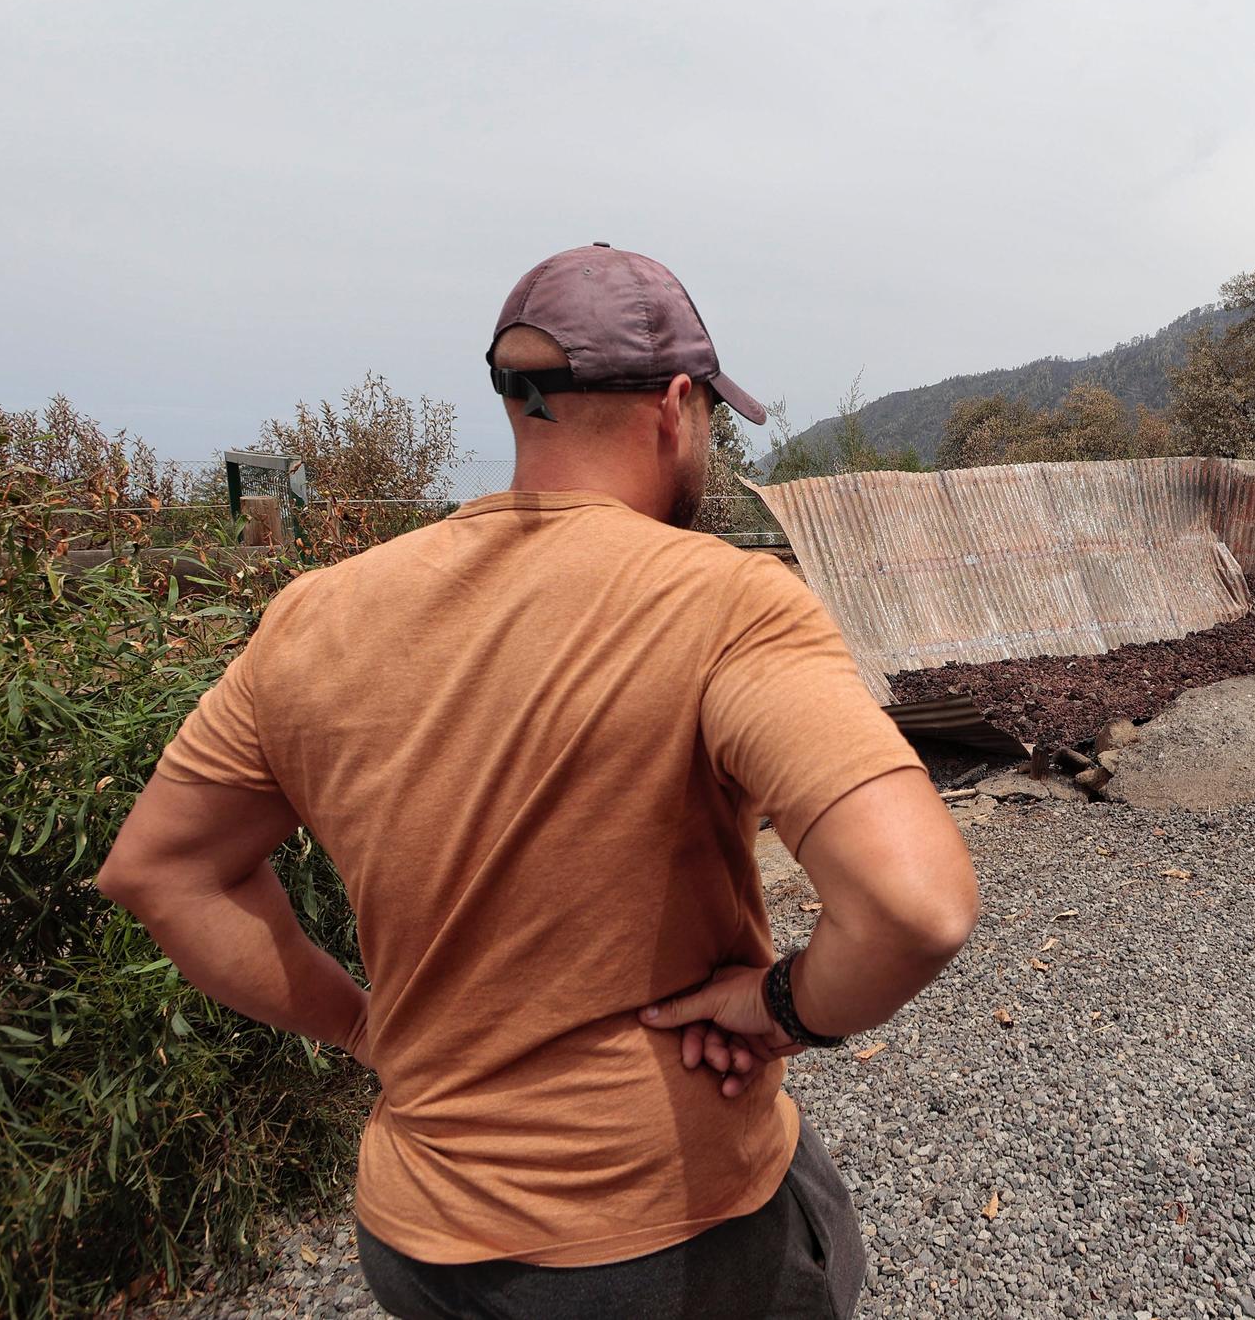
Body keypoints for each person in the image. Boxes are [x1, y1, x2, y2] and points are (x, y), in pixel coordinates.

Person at [97, 244, 979, 1319]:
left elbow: (159, 871)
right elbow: (912, 905)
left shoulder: (315, 614)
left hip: (418, 1243)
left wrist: (363, 1029)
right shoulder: (722, 599)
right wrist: (783, 1006)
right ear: (673, 407)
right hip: (666, 1239)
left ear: (523, 410)